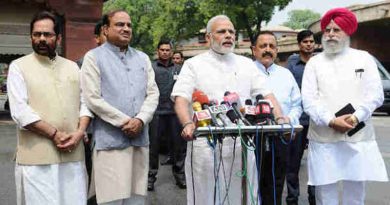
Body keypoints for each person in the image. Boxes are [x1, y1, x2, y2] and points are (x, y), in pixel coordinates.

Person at [171, 14, 286, 205]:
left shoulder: (246, 64)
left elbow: (267, 95)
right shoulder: (193, 65)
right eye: (222, 31)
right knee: (206, 197)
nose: (228, 35)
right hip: (206, 144)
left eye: (231, 32)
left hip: (242, 143)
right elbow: (181, 99)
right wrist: (188, 123)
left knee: (242, 197)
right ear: (208, 37)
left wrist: (280, 118)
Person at [301, 8, 388, 205]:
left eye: (336, 30)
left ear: (347, 33)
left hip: (357, 134)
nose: (330, 34)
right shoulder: (314, 62)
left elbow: (375, 95)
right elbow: (309, 99)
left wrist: (355, 117)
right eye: (327, 30)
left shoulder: (364, 58)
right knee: (325, 192)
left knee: (355, 192)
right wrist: (330, 120)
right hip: (323, 137)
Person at [7, 11, 92, 204]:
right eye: (37, 34)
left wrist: (80, 132)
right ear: (31, 37)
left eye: (48, 34)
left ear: (59, 38)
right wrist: (54, 134)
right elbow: (20, 111)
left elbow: (85, 103)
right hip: (37, 158)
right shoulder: (18, 67)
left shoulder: (73, 67)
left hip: (72, 153)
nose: (42, 39)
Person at [81, 9, 159, 204]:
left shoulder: (142, 58)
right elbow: (92, 98)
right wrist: (126, 122)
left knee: (136, 198)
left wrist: (140, 120)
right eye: (120, 24)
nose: (126, 29)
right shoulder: (93, 57)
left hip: (140, 140)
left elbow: (153, 93)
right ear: (106, 30)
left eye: (129, 25)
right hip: (110, 143)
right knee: (111, 199)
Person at [251, 30, 302, 205]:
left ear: (277, 50)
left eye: (271, 46)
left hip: (281, 136)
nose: (267, 49)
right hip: (252, 138)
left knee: (276, 181)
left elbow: (297, 104)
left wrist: (289, 122)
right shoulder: (245, 72)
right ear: (254, 50)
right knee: (252, 181)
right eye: (263, 46)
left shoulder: (286, 74)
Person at [148, 39, 186, 191]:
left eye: (167, 50)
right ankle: (150, 178)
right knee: (153, 147)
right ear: (158, 51)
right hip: (156, 112)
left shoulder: (179, 69)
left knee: (178, 146)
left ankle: (180, 176)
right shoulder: (151, 68)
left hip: (175, 113)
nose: (165, 52)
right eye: (162, 50)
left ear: (171, 51)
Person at [285, 29, 316, 205]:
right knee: (293, 163)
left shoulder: (320, 63)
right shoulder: (292, 64)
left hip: (317, 121)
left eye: (311, 41)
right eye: (305, 42)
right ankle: (292, 198)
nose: (309, 44)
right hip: (298, 120)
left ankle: (314, 197)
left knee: (316, 162)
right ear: (299, 45)